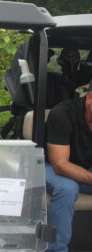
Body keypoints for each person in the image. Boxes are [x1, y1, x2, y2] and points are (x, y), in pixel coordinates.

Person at [45, 79, 92, 252]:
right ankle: (56, 249)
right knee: (67, 188)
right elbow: (60, 164)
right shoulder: (63, 113)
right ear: (89, 98)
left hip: (84, 169)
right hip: (47, 166)